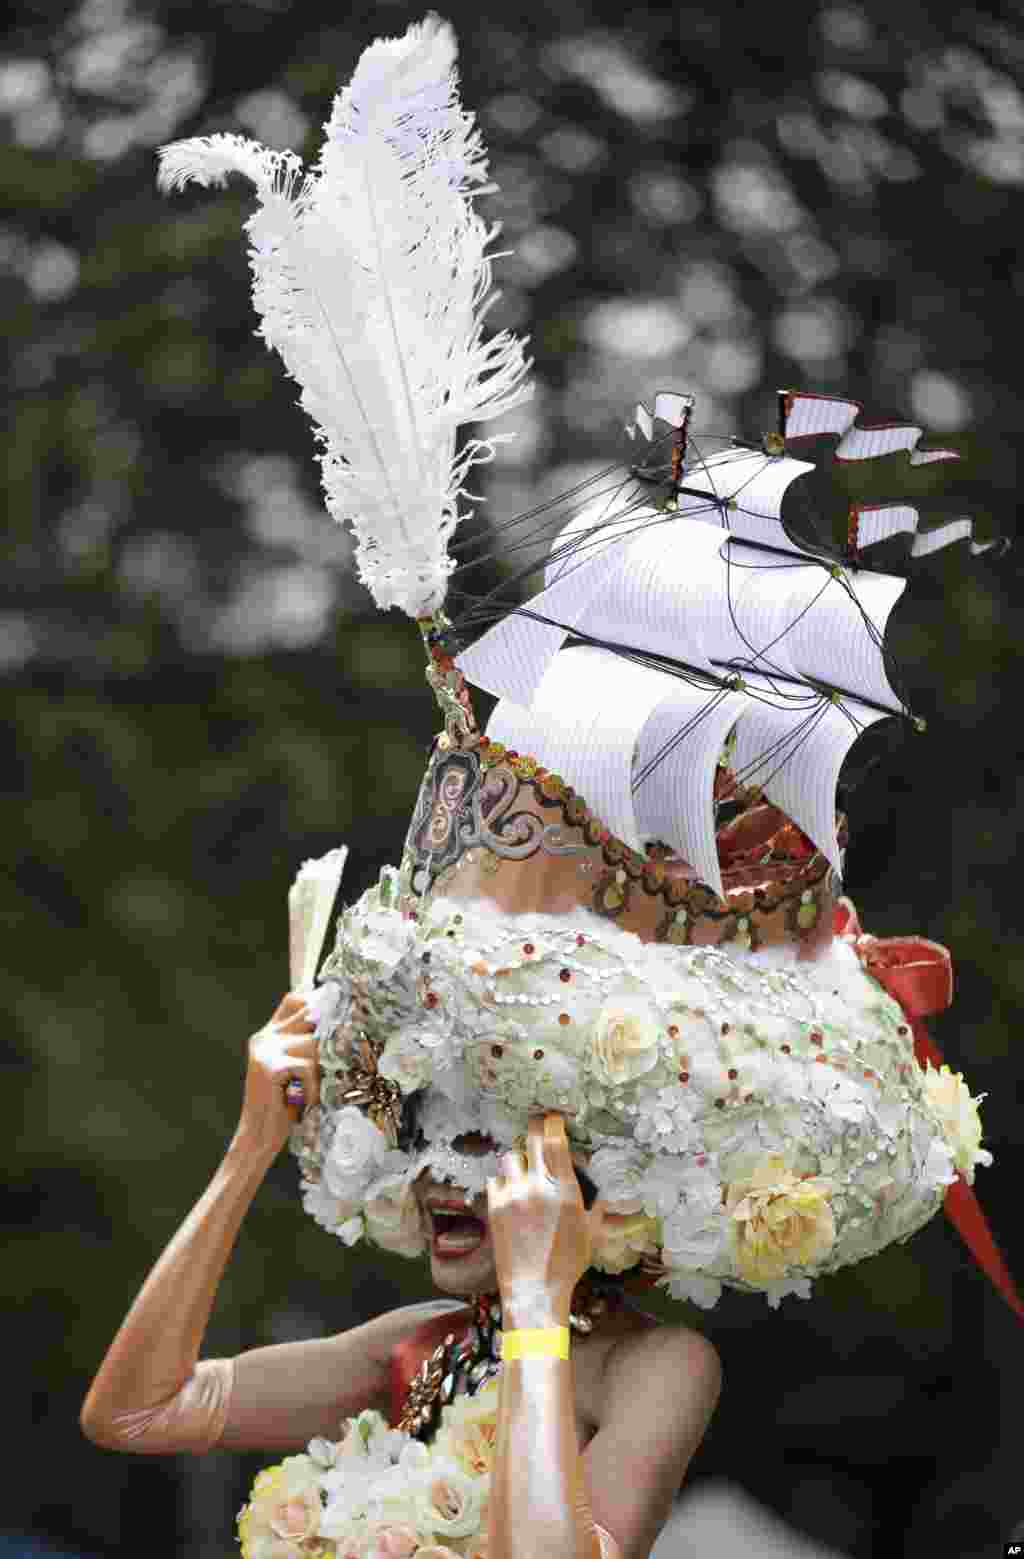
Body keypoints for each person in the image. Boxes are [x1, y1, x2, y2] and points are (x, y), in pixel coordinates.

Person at [81, 992, 723, 1559]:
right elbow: (136, 1411)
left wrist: (536, 1293)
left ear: (587, 1176)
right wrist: (250, 1147)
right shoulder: (423, 1342)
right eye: (422, 1133)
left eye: (481, 1142)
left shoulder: (659, 1363)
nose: (437, 1175)